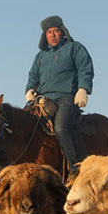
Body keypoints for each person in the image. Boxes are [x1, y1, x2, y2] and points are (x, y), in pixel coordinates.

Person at [25, 15, 94, 177]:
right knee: (23, 125)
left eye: (56, 31)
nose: (53, 35)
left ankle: (75, 167)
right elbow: (33, 75)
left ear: (63, 32)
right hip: (43, 99)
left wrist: (83, 89)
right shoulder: (41, 56)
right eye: (49, 32)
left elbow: (85, 68)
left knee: (60, 128)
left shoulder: (74, 48)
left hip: (66, 97)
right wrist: (29, 89)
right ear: (45, 35)